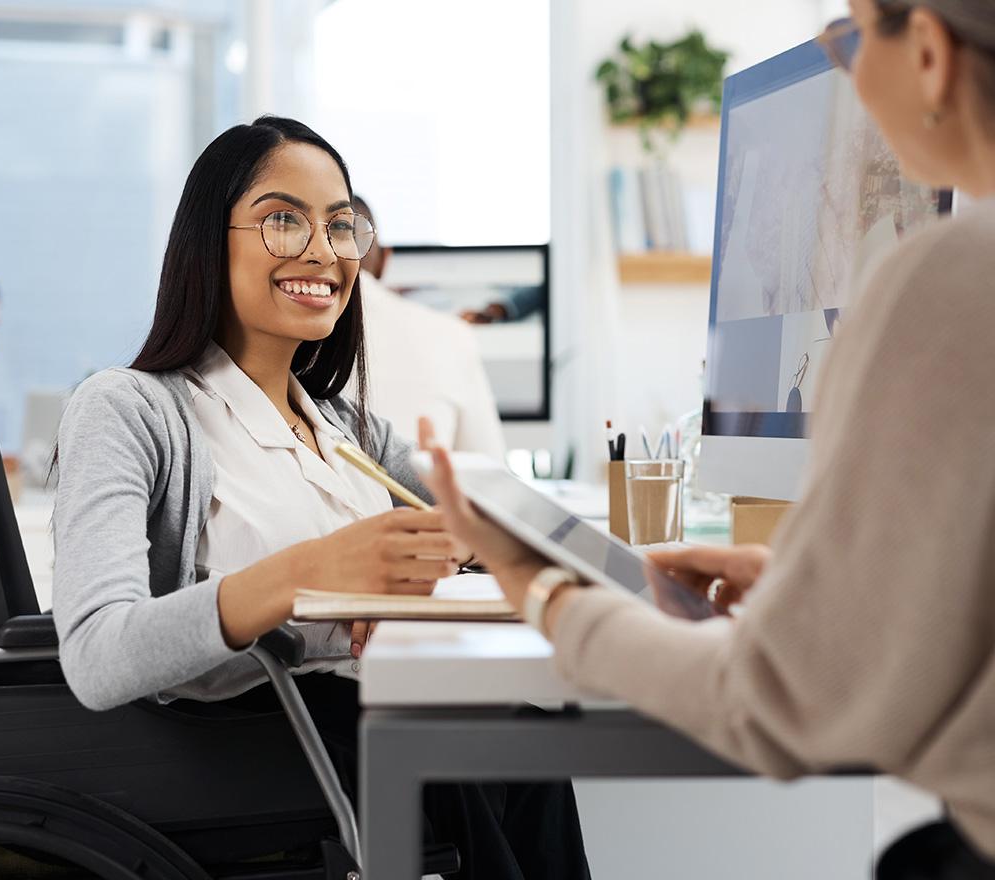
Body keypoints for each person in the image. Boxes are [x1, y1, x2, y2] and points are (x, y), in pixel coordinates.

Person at [419, 3, 995, 875]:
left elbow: (780, 707)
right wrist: (819, 591)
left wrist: (542, 590)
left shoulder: (952, 278)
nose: (840, 66)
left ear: (926, 52)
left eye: (846, 37)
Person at [53, 115, 591, 878]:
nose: (323, 251)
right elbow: (100, 655)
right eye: (283, 220)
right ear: (210, 239)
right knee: (473, 756)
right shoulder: (129, 407)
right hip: (236, 745)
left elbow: (476, 524)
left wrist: (414, 565)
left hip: (359, 714)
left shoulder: (344, 425)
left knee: (534, 741)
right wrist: (318, 573)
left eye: (343, 227)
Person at [349, 194, 507, 457]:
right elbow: (489, 465)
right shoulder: (453, 334)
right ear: (386, 259)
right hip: (427, 494)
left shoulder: (286, 332)